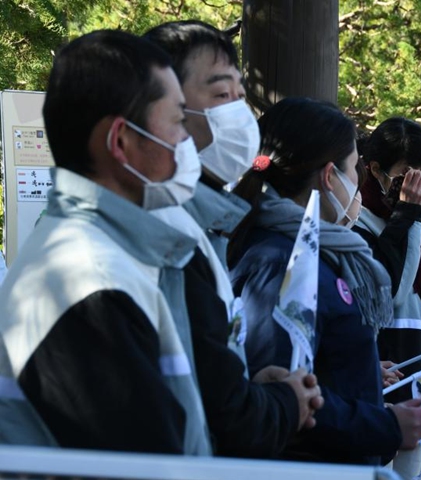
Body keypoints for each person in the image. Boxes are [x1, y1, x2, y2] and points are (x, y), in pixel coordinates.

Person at [0, 30, 314, 453]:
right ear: (121, 142)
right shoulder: (90, 282)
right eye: (178, 121)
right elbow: (148, 460)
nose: (188, 141)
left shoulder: (117, 256)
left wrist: (248, 390)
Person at [144, 20, 323, 458]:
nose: (240, 112)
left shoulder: (207, 226)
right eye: (222, 95)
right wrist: (280, 405)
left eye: (242, 96)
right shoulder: (164, 233)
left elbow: (202, 373)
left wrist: (247, 384)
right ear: (163, 106)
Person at [228, 98, 421, 465]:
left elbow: (313, 362)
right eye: (355, 168)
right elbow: (278, 395)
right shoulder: (282, 262)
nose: (357, 182)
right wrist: (386, 424)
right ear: (329, 176)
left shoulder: (314, 251)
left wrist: (366, 371)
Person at [355, 117, 421, 386]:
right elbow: (391, 290)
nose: (419, 183)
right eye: (409, 172)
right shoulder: (358, 220)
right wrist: (405, 216)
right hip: (390, 362)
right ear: (375, 169)